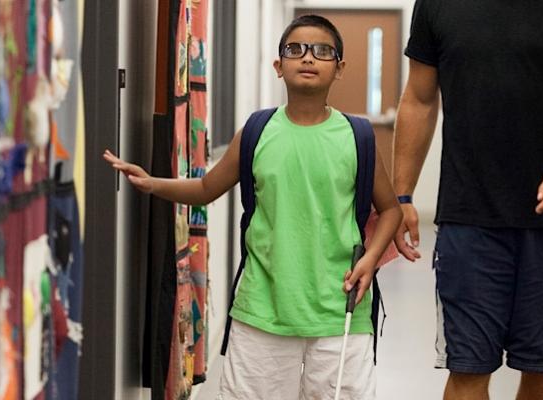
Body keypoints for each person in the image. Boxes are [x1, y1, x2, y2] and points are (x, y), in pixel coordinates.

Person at [104, 14, 402, 400]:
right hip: (261, 309)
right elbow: (207, 187)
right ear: (279, 67)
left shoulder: (358, 137)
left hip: (341, 310)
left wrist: (370, 259)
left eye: (322, 51)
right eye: (295, 50)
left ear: (340, 68)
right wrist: (152, 182)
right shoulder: (257, 131)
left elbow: (390, 210)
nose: (308, 58)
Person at [393, 0, 543, 399]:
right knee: (467, 367)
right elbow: (419, 99)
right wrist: (402, 193)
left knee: (542, 367)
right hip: (467, 219)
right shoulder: (437, 6)